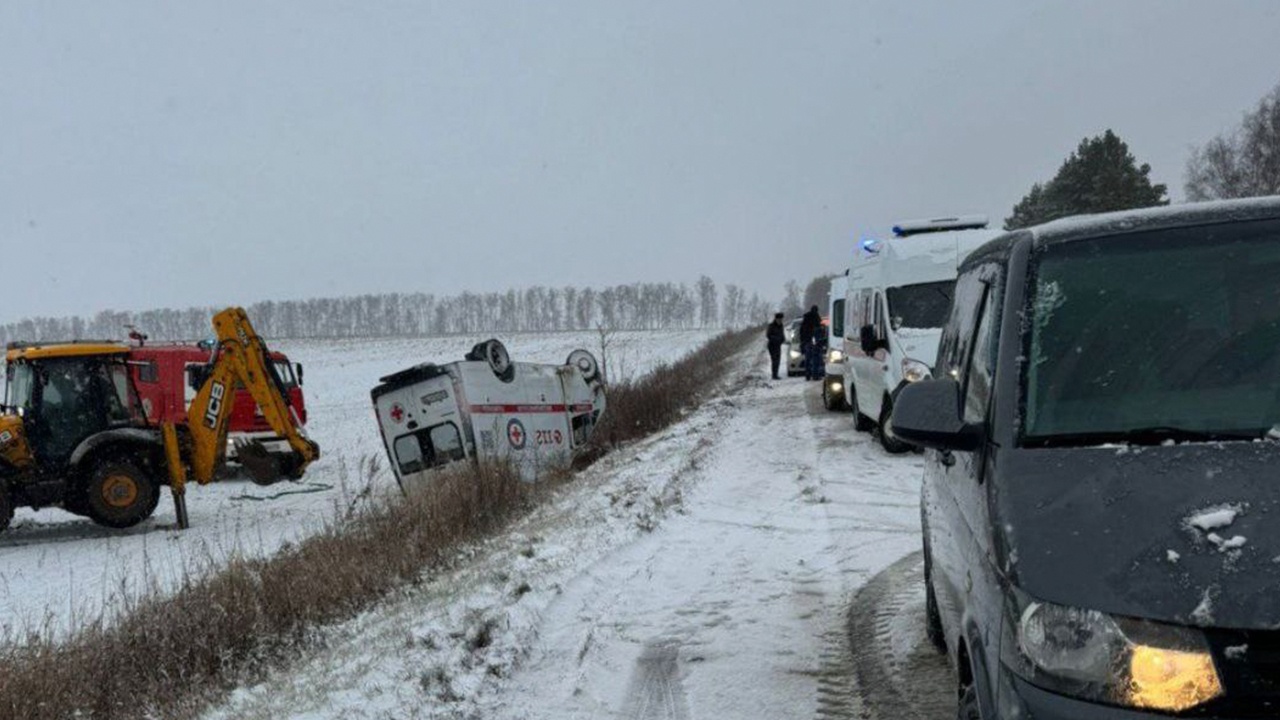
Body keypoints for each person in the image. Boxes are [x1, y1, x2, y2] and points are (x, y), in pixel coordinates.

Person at [799, 305, 822, 380]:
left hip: (807, 341)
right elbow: (819, 329)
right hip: (815, 341)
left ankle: (808, 375)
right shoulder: (816, 317)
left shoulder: (806, 318)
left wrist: (802, 341)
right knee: (816, 358)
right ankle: (815, 375)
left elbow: (801, 331)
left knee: (808, 358)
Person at [766, 313, 786, 379]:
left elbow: (782, 334)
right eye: (779, 319)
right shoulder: (771, 326)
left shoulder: (781, 326)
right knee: (774, 360)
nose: (780, 321)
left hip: (778, 345)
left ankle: (776, 374)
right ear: (776, 319)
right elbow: (768, 335)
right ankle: (774, 375)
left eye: (781, 319)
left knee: (778, 360)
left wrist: (782, 339)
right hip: (772, 345)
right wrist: (776, 339)